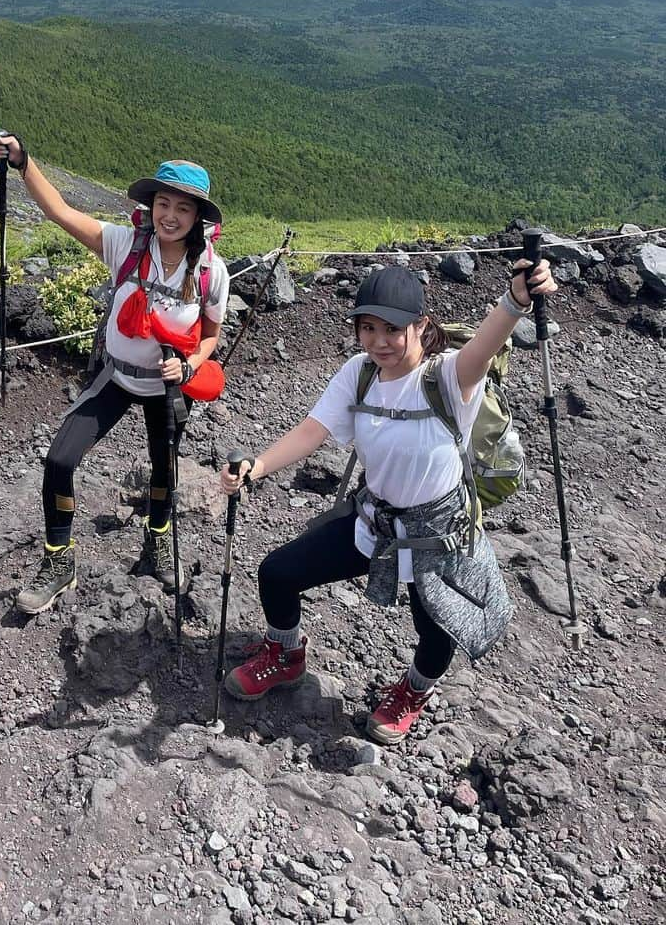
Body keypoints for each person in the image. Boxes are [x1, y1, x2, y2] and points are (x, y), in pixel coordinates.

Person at [218, 259, 557, 745]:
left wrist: (516, 301)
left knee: (438, 629)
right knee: (278, 572)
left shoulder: (449, 379)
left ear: (420, 325)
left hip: (436, 535)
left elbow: (486, 344)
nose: (379, 341)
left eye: (392, 329)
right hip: (374, 522)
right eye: (368, 328)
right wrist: (256, 467)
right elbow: (312, 431)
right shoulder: (360, 374)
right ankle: (286, 656)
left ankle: (414, 691)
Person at [0, 132, 230, 613]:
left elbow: (210, 337)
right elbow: (60, 212)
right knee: (59, 460)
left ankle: (156, 541)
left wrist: (189, 364)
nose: (171, 216)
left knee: (164, 470)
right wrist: (23, 161)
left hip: (166, 386)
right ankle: (60, 561)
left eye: (183, 208)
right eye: (164, 203)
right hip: (115, 377)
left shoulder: (210, 271)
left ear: (198, 217)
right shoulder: (124, 245)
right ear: (151, 205)